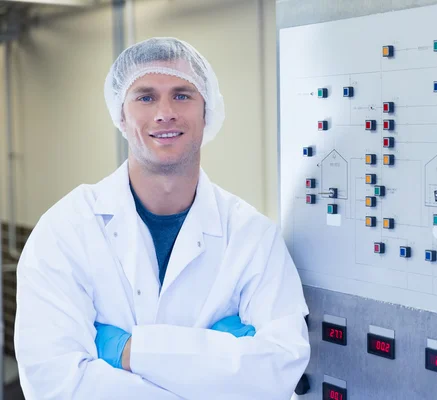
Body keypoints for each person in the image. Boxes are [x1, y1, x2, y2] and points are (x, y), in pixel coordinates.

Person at [13, 37, 310, 399]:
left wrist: (127, 350)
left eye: (182, 95)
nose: (164, 112)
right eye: (145, 96)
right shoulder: (64, 230)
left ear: (208, 110)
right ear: (121, 113)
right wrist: (216, 359)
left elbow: (279, 369)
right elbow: (57, 385)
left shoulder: (253, 236)